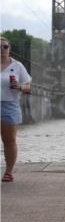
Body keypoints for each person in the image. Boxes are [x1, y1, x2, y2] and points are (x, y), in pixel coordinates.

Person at [1, 37, 32, 182]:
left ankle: (8, 172)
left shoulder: (17, 66)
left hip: (9, 104)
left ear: (9, 49)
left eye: (5, 47)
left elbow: (28, 86)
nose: (2, 49)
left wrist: (19, 86)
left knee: (9, 140)